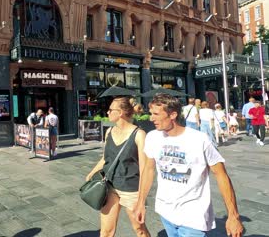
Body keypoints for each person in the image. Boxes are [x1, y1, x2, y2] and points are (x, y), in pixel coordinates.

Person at [134, 94, 244, 237]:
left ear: (173, 114)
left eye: (156, 114)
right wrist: (141, 202)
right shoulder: (152, 137)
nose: (151, 118)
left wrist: (233, 215)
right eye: (150, 114)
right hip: (165, 211)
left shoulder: (199, 139)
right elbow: (148, 170)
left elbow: (221, 174)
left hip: (193, 215)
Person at [86, 97, 150, 237]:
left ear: (120, 112)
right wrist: (92, 172)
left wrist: (141, 199)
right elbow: (105, 158)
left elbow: (145, 169)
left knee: (139, 230)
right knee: (106, 231)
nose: (107, 112)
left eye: (110, 110)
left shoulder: (139, 135)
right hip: (109, 186)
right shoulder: (109, 131)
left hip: (131, 189)